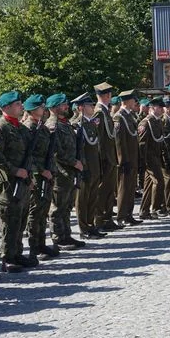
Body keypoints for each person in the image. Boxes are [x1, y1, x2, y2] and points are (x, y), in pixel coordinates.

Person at [0, 92, 41, 272]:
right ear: (6, 108)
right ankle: (7, 258)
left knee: (21, 219)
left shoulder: (19, 127)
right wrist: (14, 170)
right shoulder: (2, 127)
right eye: (17, 104)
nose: (21, 107)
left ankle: (17, 253)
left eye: (20, 104)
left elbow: (29, 155)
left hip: (23, 181)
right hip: (8, 183)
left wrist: (29, 176)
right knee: (10, 221)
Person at [21, 94, 61, 262]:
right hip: (37, 175)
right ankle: (33, 247)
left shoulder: (40, 126)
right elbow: (28, 155)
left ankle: (41, 243)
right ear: (32, 110)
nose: (43, 109)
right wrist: (40, 170)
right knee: (35, 211)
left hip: (46, 174)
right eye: (41, 107)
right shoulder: (29, 127)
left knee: (43, 211)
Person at [46, 93, 86, 249]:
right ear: (55, 108)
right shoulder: (52, 125)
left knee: (67, 205)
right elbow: (55, 151)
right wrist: (74, 162)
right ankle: (58, 238)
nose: (67, 106)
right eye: (63, 104)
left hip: (69, 172)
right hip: (59, 171)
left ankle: (66, 235)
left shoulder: (65, 123)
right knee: (57, 207)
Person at [71, 93, 106, 239]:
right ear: (81, 108)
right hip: (84, 168)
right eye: (89, 105)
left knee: (93, 197)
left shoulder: (91, 123)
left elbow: (95, 146)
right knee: (82, 199)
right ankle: (83, 228)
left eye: (92, 104)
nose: (92, 107)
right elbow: (76, 149)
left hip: (94, 166)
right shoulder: (75, 124)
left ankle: (91, 225)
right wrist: (82, 167)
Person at [93, 82, 122, 232]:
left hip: (110, 156)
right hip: (104, 157)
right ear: (107, 95)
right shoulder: (99, 112)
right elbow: (98, 138)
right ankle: (99, 219)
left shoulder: (105, 112)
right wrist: (101, 158)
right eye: (109, 94)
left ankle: (107, 218)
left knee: (110, 189)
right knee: (102, 190)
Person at [114, 90, 142, 226]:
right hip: (125, 159)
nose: (135, 102)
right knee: (124, 188)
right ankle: (121, 216)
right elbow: (119, 141)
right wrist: (123, 160)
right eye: (132, 100)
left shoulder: (129, 116)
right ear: (126, 101)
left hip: (132, 157)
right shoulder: (119, 117)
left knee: (131, 188)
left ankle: (129, 214)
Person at [138, 97, 166, 219]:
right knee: (159, 181)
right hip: (149, 158)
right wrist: (143, 161)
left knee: (149, 185)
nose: (161, 110)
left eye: (161, 107)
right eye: (159, 107)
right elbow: (142, 144)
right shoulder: (146, 122)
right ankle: (155, 208)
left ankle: (144, 211)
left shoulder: (158, 121)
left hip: (156, 156)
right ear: (152, 108)